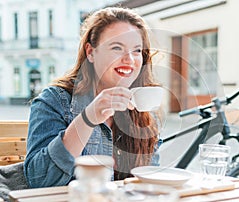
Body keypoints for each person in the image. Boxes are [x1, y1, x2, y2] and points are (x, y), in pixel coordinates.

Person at [24, 7, 161, 188]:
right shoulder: (55, 101)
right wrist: (89, 118)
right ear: (90, 52)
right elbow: (39, 181)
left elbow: (148, 182)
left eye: (136, 50)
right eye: (117, 47)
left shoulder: (142, 109)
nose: (129, 59)